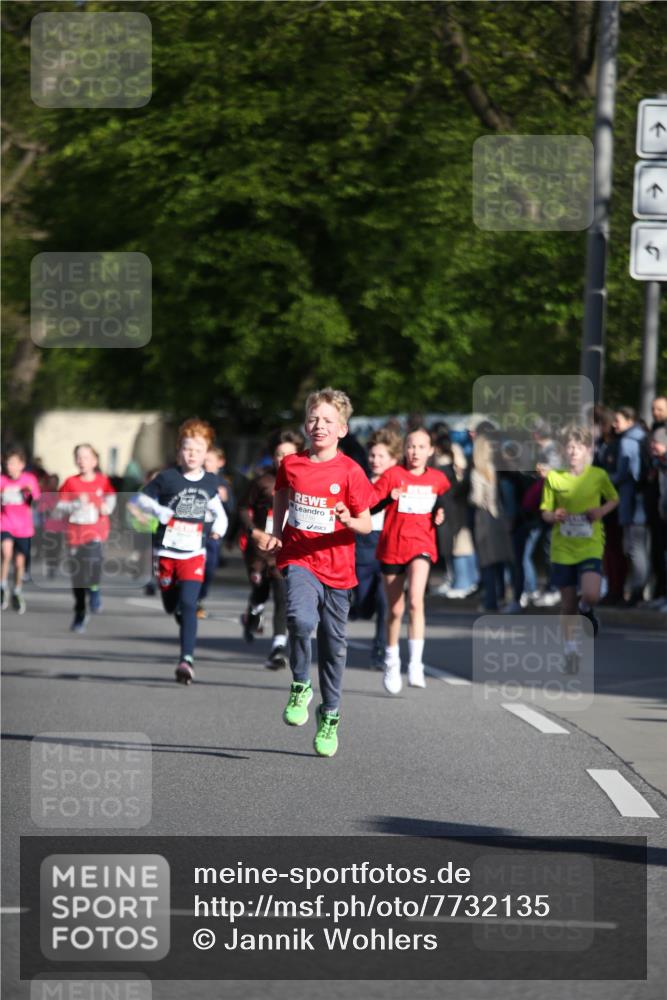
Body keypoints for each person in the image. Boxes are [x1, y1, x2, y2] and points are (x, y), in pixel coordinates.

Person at [259, 388, 375, 757]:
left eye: (327, 420)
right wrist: (277, 530)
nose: (318, 425)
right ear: (305, 424)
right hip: (299, 558)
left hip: (338, 569)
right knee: (299, 619)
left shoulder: (351, 471)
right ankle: (299, 685)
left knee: (333, 650)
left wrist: (348, 518)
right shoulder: (291, 464)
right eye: (313, 418)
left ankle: (330, 715)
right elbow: (280, 493)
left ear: (342, 429)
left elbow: (367, 525)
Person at [130, 419, 227, 683]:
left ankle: (186, 660)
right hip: (166, 552)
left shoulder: (210, 481)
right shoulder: (167, 478)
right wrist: (160, 511)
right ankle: (174, 608)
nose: (192, 454)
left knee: (189, 603)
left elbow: (220, 513)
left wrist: (219, 529)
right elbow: (139, 499)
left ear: (206, 453)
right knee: (172, 605)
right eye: (187, 448)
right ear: (178, 452)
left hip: (194, 552)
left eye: (198, 449)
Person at [372, 428, 450, 694]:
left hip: (422, 545)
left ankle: (416, 664)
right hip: (393, 546)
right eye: (411, 446)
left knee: (416, 601)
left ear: (431, 451)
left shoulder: (438, 479)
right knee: (395, 610)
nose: (415, 452)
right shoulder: (392, 475)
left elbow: (442, 503)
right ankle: (392, 661)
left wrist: (441, 513)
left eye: (421, 447)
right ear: (404, 449)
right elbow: (368, 504)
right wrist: (386, 498)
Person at [541, 425, 618, 672]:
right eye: (570, 447)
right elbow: (544, 512)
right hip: (563, 547)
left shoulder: (597, 475)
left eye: (579, 447)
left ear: (587, 450)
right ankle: (570, 651)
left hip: (590, 543)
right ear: (564, 450)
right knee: (567, 603)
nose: (573, 451)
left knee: (591, 593)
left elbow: (614, 499)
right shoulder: (554, 477)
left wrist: (600, 511)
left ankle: (588, 610)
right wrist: (555, 515)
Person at [238, 429, 304, 668]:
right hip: (260, 547)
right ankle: (253, 611)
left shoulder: (304, 481)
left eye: (288, 455)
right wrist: (254, 532)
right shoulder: (261, 481)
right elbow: (243, 509)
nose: (282, 460)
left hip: (285, 549)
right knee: (260, 590)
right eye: (278, 454)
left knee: (282, 596)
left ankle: (277, 648)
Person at [349, 427, 402, 668]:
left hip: (389, 543)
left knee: (385, 601)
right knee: (362, 601)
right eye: (372, 455)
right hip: (364, 544)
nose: (375, 460)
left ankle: (380, 649)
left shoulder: (401, 484)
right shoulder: (361, 481)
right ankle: (360, 607)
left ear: (393, 459)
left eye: (382, 456)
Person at [57, 444, 116, 632]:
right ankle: (80, 612)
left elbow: (111, 499)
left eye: (86, 457)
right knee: (78, 578)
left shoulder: (103, 481)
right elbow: (58, 508)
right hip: (75, 534)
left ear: (94, 461)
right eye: (79, 457)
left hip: (96, 532)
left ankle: (95, 589)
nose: (82, 461)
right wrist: (75, 504)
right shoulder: (70, 483)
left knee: (93, 562)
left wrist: (106, 507)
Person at [470, 433, 514, 612]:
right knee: (500, 562)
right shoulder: (494, 469)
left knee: (487, 563)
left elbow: (477, 498)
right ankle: (502, 596)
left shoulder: (477, 472)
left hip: (484, 520)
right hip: (499, 519)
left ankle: (490, 602)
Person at [611, 407, 649, 606]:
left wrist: (606, 479)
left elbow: (626, 473)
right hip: (641, 500)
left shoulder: (628, 441)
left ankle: (637, 591)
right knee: (638, 547)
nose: (613, 424)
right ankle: (639, 589)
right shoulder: (642, 437)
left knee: (634, 548)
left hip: (633, 502)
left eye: (617, 420)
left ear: (629, 420)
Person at [1, 447, 41, 613]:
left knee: (19, 563)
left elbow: (37, 500)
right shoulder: (2, 480)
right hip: (5, 523)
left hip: (24, 528)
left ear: (22, 464)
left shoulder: (29, 480)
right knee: (6, 553)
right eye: (8, 463)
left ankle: (17, 590)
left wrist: (30, 494)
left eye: (14, 463)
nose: (11, 467)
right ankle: (2, 587)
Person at [196, 446, 235, 619]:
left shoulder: (223, 484)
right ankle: (190, 598)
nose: (205, 464)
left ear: (220, 462)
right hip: (194, 532)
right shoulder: (195, 479)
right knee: (193, 567)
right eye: (203, 460)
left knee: (209, 569)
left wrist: (225, 499)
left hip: (213, 535)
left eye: (209, 460)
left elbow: (231, 509)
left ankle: (199, 598)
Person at [646, 395, 667, 604]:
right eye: (653, 409)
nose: (655, 412)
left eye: (660, 409)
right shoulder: (655, 429)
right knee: (658, 549)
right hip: (658, 500)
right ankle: (660, 591)